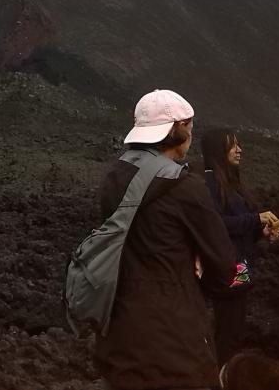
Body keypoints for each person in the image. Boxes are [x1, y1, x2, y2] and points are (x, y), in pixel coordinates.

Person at [95, 89, 237, 390]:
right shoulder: (186, 188)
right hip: (176, 342)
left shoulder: (112, 182)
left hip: (118, 334)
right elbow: (225, 267)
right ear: (180, 131)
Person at [201, 129, 279, 365]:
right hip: (226, 270)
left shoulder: (231, 182)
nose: (239, 150)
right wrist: (256, 220)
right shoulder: (209, 183)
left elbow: (239, 228)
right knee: (229, 332)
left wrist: (261, 232)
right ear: (218, 151)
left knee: (233, 329)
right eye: (232, 145)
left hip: (240, 268)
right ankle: (222, 377)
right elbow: (215, 225)